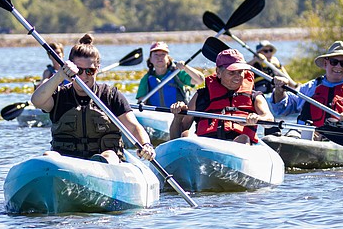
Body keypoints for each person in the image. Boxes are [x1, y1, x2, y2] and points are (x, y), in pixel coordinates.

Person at [31, 34, 155, 164]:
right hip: (67, 163)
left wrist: (146, 145)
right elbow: (36, 101)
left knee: (109, 155)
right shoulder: (59, 96)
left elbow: (134, 127)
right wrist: (60, 75)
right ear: (71, 70)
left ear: (97, 69)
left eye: (90, 71)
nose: (84, 76)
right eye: (79, 71)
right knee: (48, 155)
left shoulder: (111, 96)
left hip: (107, 163)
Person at [169, 48, 275, 145]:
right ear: (218, 72)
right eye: (232, 72)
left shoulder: (254, 96)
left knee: (243, 139)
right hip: (204, 148)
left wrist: (258, 118)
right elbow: (175, 138)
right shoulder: (201, 95)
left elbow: (269, 120)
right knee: (186, 135)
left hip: (239, 147)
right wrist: (177, 117)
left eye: (240, 72)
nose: (237, 77)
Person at [270, 40, 343, 127]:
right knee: (293, 133)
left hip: (340, 136)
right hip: (308, 135)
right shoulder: (310, 87)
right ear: (326, 63)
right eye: (334, 62)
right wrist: (279, 90)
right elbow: (281, 109)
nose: (338, 67)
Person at [136, 42, 205, 106]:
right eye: (156, 54)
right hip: (155, 115)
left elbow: (200, 80)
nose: (159, 57)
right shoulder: (146, 79)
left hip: (178, 114)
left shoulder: (177, 73)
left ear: (168, 58)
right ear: (150, 59)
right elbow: (141, 102)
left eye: (163, 54)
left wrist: (185, 67)